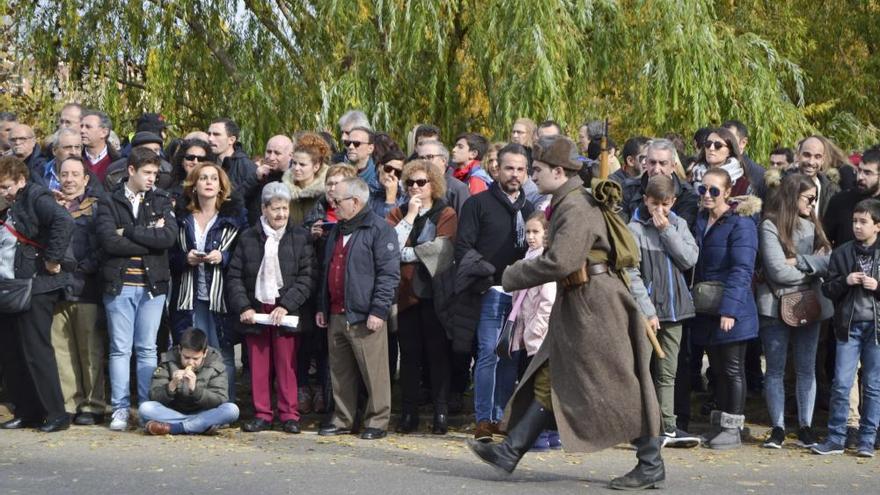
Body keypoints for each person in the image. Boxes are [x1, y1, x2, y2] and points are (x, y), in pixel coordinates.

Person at [468, 135, 664, 490]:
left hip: (595, 305)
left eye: (539, 169)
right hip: (581, 303)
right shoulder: (568, 201)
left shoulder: (575, 206)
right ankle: (510, 452)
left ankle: (650, 463)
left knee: (618, 387)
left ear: (559, 171)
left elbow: (562, 261)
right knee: (551, 378)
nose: (533, 176)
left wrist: (513, 275)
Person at [454, 142, 534, 441]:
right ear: (496, 169)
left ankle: (502, 417)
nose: (514, 174)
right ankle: (484, 419)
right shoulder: (477, 204)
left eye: (520, 169)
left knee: (511, 355)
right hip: (490, 292)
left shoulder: (529, 210)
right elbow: (464, 248)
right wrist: (488, 273)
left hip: (520, 294)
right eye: (509, 168)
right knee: (488, 353)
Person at [96, 147, 178, 431]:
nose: (152, 178)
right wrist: (149, 235)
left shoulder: (161, 198)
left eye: (155, 173)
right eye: (147, 172)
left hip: (153, 285)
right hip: (120, 284)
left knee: (147, 349)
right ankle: (119, 408)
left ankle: (146, 408)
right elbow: (109, 241)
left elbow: (168, 238)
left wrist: (128, 231)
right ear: (131, 170)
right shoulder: (109, 201)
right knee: (120, 349)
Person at [226, 182, 315, 433]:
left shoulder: (300, 237)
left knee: (287, 366)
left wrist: (287, 305)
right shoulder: (248, 237)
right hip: (256, 311)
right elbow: (234, 276)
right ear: (264, 209)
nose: (281, 214)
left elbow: (308, 276)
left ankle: (289, 415)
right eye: (276, 209)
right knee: (258, 366)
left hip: (285, 312)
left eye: (285, 208)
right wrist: (244, 306)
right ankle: (262, 414)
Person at [316, 177, 400, 440]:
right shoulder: (338, 230)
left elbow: (388, 274)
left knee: (374, 373)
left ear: (355, 202)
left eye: (338, 201)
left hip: (365, 314)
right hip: (337, 312)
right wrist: (322, 305)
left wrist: (378, 311)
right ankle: (343, 418)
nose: (334, 204)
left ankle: (378, 420)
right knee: (340, 372)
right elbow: (326, 269)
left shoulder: (380, 229)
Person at [757, 173, 832, 449]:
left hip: (809, 305)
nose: (813, 203)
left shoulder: (814, 223)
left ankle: (806, 426)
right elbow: (776, 271)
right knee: (775, 370)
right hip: (775, 305)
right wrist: (812, 270)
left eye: (815, 198)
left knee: (806, 368)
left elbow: (830, 263)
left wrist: (798, 261)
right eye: (808, 198)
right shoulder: (770, 224)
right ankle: (777, 427)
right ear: (792, 196)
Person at [0, 155, 74, 433]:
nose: (4, 192)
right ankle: (27, 411)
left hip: (36, 285)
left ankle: (56, 413)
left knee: (36, 350)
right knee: (11, 352)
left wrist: (52, 259)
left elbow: (64, 221)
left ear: (21, 180)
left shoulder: (35, 196)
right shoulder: (9, 201)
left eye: (7, 186)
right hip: (9, 285)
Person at [626, 174, 701, 448]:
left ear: (674, 201)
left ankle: (667, 425)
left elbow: (689, 259)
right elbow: (631, 273)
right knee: (642, 371)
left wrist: (667, 230)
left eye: (665, 204)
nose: (659, 210)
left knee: (667, 373)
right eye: (654, 204)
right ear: (645, 199)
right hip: (648, 311)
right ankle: (642, 427)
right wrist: (647, 310)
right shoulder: (634, 229)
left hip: (676, 309)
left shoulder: (678, 224)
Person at [691, 168, 761, 449]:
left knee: (732, 369)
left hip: (734, 310)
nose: (707, 195)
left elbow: (742, 270)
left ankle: (733, 429)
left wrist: (729, 311)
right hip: (706, 308)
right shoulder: (699, 220)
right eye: (703, 189)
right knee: (717, 369)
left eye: (714, 190)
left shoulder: (741, 224)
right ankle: (721, 425)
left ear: (728, 192)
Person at [387, 160, 457, 435]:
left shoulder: (445, 212)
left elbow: (442, 249)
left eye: (421, 182)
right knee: (410, 357)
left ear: (433, 184)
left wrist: (407, 254)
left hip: (435, 294)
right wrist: (410, 218)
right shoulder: (398, 212)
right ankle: (408, 413)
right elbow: (389, 246)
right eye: (410, 183)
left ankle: (440, 413)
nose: (415, 187)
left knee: (438, 356)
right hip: (404, 295)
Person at [170, 162, 247, 401]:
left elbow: (245, 254)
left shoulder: (233, 218)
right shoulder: (181, 217)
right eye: (203, 178)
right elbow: (168, 255)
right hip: (189, 295)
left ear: (221, 186)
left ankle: (226, 404)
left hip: (220, 296)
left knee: (222, 353)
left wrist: (223, 256)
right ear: (194, 185)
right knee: (191, 353)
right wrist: (186, 258)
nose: (209, 182)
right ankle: (194, 401)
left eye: (214, 178)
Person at [815, 198, 880, 457]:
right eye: (854, 221)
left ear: (877, 226)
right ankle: (836, 437)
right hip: (848, 326)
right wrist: (846, 280)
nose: (857, 226)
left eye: (863, 222)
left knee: (873, 386)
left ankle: (867, 439)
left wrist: (878, 287)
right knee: (842, 383)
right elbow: (827, 288)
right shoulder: (842, 252)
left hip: (876, 328)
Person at [51, 156, 107, 426]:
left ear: (86, 179)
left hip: (87, 287)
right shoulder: (51, 206)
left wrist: (86, 267)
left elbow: (103, 245)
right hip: (57, 288)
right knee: (62, 350)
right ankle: (68, 403)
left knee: (90, 350)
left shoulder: (97, 208)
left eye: (75, 174)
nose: (69, 180)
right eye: (64, 174)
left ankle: (93, 404)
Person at [508, 212, 558, 451]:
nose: (530, 237)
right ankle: (548, 432)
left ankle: (541, 435)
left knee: (537, 385)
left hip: (538, 335)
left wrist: (534, 332)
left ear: (546, 236)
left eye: (536, 232)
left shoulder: (544, 261)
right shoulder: (528, 258)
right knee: (538, 383)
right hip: (526, 330)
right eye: (527, 232)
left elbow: (547, 301)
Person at [138, 328, 240, 435]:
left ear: (204, 353)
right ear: (179, 350)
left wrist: (195, 390)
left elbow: (220, 399)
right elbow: (154, 395)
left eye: (195, 359)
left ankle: (176, 428)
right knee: (145, 408)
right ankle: (201, 426)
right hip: (174, 412)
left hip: (204, 411)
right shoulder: (168, 361)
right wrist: (171, 386)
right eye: (186, 357)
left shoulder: (215, 363)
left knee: (232, 410)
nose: (190, 362)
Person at [623, 138, 699, 227]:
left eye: (662, 163)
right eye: (652, 162)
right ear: (646, 163)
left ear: (673, 166)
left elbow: (683, 234)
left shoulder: (688, 195)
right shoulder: (629, 189)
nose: (656, 169)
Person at [824, 149, 880, 247]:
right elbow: (824, 239)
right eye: (859, 170)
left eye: (867, 173)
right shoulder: (840, 201)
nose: (860, 177)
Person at [282, 133, 330, 226]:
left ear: (316, 166)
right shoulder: (284, 191)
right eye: (294, 163)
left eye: (302, 164)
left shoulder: (327, 193)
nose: (296, 168)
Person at [690, 127, 752, 196]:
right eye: (708, 144)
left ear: (729, 151)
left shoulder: (742, 186)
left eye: (718, 145)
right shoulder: (692, 177)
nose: (711, 148)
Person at [104, 131, 173, 191]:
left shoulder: (166, 175)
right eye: (153, 150)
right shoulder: (115, 176)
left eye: (158, 150)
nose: (157, 154)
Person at [415, 139, 469, 214]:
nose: (424, 161)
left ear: (443, 160)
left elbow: (464, 222)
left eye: (429, 157)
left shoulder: (457, 188)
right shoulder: (414, 185)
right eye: (421, 158)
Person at [794, 135, 841, 220]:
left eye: (817, 157)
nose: (811, 162)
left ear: (823, 160)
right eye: (807, 155)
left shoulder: (833, 191)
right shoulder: (781, 186)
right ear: (798, 156)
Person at [722, 119, 767, 198]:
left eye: (729, 139)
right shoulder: (708, 168)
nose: (724, 143)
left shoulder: (759, 175)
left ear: (743, 143)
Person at [168, 138, 214, 205]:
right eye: (190, 158)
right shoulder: (169, 191)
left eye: (201, 159)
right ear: (182, 161)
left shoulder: (215, 190)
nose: (195, 162)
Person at [80, 110, 120, 183]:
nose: (82, 130)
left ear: (104, 132)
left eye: (88, 127)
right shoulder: (75, 159)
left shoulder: (118, 163)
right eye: (81, 126)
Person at [342, 126, 381, 195]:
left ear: (370, 148)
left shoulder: (379, 177)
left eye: (357, 143)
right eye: (348, 143)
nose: (350, 147)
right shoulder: (338, 172)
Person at [371, 149, 406, 219]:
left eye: (397, 172)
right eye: (388, 168)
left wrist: (391, 200)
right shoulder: (368, 192)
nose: (391, 174)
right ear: (380, 167)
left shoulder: (403, 198)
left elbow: (393, 227)